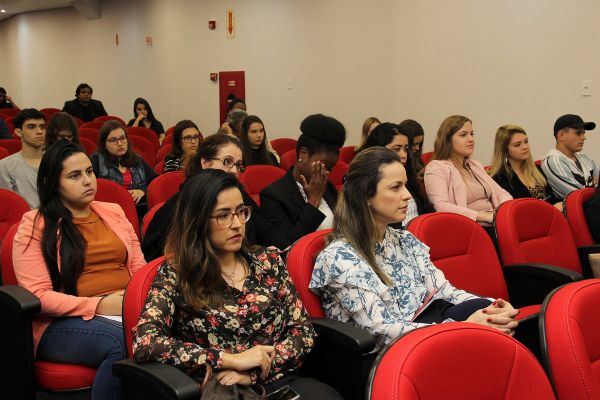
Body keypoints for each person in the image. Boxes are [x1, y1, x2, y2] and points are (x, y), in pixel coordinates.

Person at [132, 169, 342, 399]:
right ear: (198, 220)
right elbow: (146, 342)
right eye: (223, 215)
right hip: (223, 387)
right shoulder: (177, 273)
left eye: (241, 212)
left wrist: (254, 372)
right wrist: (229, 360)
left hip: (278, 379)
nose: (237, 224)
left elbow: (303, 331)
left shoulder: (268, 261)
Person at [309, 147, 519, 350]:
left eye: (406, 185)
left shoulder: (405, 240)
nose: (408, 195)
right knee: (487, 336)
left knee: (496, 319)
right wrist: (464, 327)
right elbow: (381, 332)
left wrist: (494, 305)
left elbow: (444, 291)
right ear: (365, 195)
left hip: (425, 325)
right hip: (386, 354)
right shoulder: (339, 258)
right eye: (396, 187)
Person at [13, 141, 146, 400]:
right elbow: (38, 295)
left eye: (89, 172)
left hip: (125, 308)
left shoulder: (114, 212)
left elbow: (139, 270)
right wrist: (99, 305)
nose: (87, 181)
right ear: (52, 183)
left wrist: (138, 302)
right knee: (123, 342)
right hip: (64, 322)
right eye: (75, 175)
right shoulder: (34, 224)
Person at [142, 133, 290, 262]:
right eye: (227, 162)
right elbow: (156, 257)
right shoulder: (181, 203)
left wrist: (285, 252)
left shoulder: (240, 197)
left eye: (238, 165)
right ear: (205, 163)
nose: (234, 170)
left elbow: (268, 231)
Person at [260, 114, 346, 243]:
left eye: (330, 168)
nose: (326, 173)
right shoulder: (273, 196)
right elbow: (289, 245)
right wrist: (313, 201)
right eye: (324, 165)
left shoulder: (327, 187)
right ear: (303, 154)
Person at [424, 115, 512, 226]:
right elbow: (441, 206)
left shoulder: (474, 165)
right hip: (468, 227)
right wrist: (483, 216)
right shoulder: (436, 168)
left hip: (494, 222)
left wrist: (504, 212)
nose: (470, 139)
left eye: (472, 134)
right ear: (448, 141)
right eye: (463, 135)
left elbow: (502, 193)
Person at [358, 122, 433, 227]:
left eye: (406, 149)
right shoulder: (366, 181)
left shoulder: (409, 176)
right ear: (378, 149)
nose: (403, 155)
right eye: (396, 149)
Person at [490, 124, 560, 207]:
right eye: (517, 145)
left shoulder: (536, 169)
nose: (525, 147)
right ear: (505, 150)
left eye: (526, 142)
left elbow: (552, 199)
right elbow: (513, 209)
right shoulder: (500, 178)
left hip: (551, 212)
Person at [90, 120, 157, 208]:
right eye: (113, 140)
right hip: (109, 209)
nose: (120, 143)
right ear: (104, 144)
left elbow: (155, 181)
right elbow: (91, 187)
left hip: (138, 208)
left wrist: (143, 191)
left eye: (122, 138)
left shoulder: (137, 159)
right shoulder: (97, 160)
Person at [541, 114, 599, 201]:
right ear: (561, 135)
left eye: (583, 133)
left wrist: (591, 188)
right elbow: (578, 196)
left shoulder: (586, 158)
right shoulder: (553, 161)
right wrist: (593, 186)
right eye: (578, 133)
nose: (584, 138)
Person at [0, 108, 46, 208]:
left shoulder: (57, 160)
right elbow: (8, 207)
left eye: (42, 127)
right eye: (31, 127)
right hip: (24, 216)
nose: (39, 131)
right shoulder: (5, 166)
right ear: (18, 132)